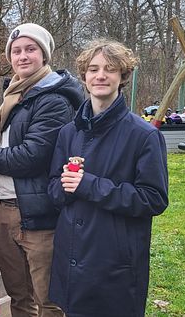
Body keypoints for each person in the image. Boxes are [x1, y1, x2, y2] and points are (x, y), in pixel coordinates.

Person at [0, 23, 83, 317]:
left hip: (38, 214)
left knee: (48, 299)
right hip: (2, 208)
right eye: (16, 51)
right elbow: (5, 144)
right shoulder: (15, 97)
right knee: (18, 295)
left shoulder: (54, 99)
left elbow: (31, 157)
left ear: (44, 55)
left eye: (30, 49)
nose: (22, 56)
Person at [47, 40, 169, 316]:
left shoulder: (144, 135)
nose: (100, 75)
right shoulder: (68, 133)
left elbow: (154, 199)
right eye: (93, 69)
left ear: (123, 77)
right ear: (85, 78)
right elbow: (54, 190)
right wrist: (66, 188)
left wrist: (89, 185)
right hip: (72, 259)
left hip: (114, 265)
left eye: (110, 69)